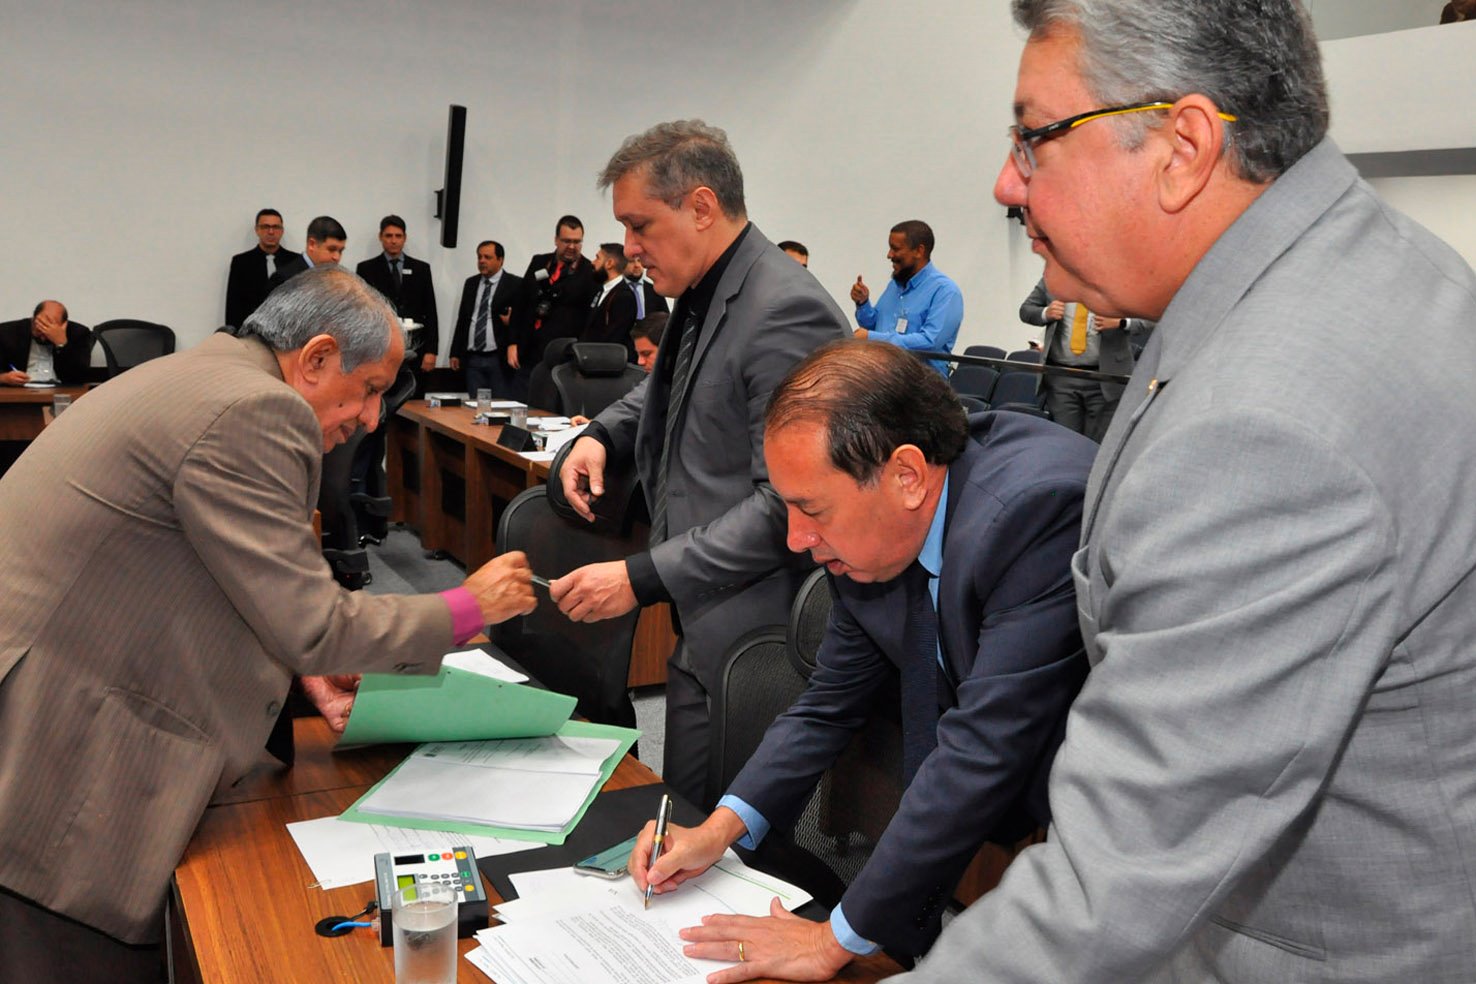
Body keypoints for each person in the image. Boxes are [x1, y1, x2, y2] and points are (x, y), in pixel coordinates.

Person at [895, 1, 1476, 981]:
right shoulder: (1355, 267)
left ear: (1184, 147)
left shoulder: (1269, 426)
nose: (1006, 182)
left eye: (1034, 137)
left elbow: (1107, 888)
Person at [0, 266, 536, 981]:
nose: (370, 417)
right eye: (370, 388)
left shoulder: (207, 373)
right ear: (316, 357)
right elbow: (313, 622)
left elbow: (219, 573)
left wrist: (301, 668)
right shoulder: (258, 410)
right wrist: (468, 607)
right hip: (63, 756)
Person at [631, 341, 1095, 979]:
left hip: (1108, 818)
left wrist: (830, 942)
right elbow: (826, 706)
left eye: (811, 509)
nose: (796, 538)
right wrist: (718, 830)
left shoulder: (1033, 517)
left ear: (907, 476)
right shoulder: (872, 536)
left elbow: (982, 748)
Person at [550, 120, 849, 806]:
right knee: (683, 820)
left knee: (722, 835)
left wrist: (643, 576)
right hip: (705, 615)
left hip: (755, 641)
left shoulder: (785, 310)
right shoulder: (704, 289)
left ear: (702, 207)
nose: (629, 247)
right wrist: (601, 435)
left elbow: (787, 505)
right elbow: (668, 392)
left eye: (640, 225)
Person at [1019, 277, 1152, 441]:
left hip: (1105, 380)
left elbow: (1151, 318)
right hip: (1061, 378)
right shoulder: (1055, 275)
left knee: (1096, 445)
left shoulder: (1123, 276)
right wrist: (1046, 313)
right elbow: (1026, 310)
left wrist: (1122, 322)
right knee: (1065, 442)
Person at [849, 221, 963, 377]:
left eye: (895, 249)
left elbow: (930, 341)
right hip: (883, 377)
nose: (889, 255)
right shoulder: (895, 285)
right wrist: (862, 303)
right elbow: (875, 326)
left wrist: (872, 337)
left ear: (919, 251)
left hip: (921, 385)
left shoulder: (945, 291)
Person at [509, 215, 600, 388]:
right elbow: (520, 303)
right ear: (556, 240)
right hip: (527, 351)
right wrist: (512, 343)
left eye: (577, 242)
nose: (572, 246)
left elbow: (590, 320)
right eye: (566, 241)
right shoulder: (539, 262)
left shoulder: (590, 272)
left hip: (562, 357)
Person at [355, 215, 440, 374]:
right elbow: (362, 312)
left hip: (416, 348)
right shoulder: (366, 269)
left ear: (404, 238)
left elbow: (430, 310)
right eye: (388, 236)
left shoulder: (421, 269)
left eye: (398, 236)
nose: (393, 241)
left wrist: (432, 350)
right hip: (380, 348)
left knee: (416, 389)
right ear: (381, 237)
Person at [449, 240, 522, 397]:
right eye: (479, 257)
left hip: (499, 357)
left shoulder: (515, 284)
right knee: (475, 405)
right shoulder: (471, 283)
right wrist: (455, 352)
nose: (482, 261)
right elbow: (463, 319)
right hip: (473, 358)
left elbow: (522, 320)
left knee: (500, 405)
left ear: (500, 260)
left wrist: (512, 323)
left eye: (487, 257)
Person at [225, 208, 300, 329]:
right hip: (250, 330)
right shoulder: (241, 262)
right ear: (257, 230)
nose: (271, 232)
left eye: (276, 227)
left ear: (282, 231)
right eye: (265, 227)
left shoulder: (295, 261)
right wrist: (233, 334)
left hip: (288, 330)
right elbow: (233, 304)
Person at [0, 300, 91, 386]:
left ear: (64, 325)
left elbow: (80, 376)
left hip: (61, 389)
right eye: (40, 328)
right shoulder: (7, 332)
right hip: (20, 390)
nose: (43, 337)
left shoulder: (78, 333)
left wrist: (61, 344)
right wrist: (4, 378)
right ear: (33, 320)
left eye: (50, 327)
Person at [585, 242, 640, 358]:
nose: (593, 262)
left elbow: (613, 338)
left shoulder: (624, 297)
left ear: (609, 263)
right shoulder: (600, 290)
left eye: (598, 258)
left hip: (605, 361)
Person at [269, 215, 347, 288]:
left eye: (340, 251)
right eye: (331, 249)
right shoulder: (284, 278)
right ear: (312, 244)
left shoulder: (337, 279)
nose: (337, 257)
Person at [625, 253, 669, 318]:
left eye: (639, 261)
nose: (637, 265)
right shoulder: (614, 289)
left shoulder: (655, 290)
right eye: (631, 262)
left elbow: (666, 318)